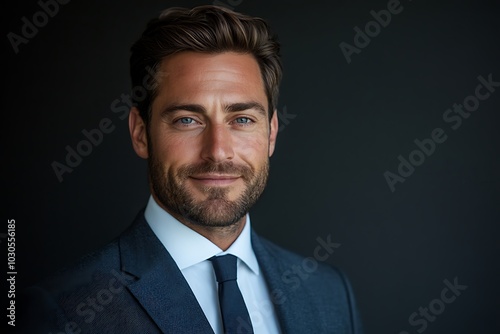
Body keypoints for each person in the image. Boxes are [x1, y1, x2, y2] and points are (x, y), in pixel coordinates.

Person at [19, 5, 363, 334]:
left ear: (271, 132)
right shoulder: (60, 311)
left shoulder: (330, 294)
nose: (217, 151)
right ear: (141, 133)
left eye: (242, 119)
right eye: (187, 120)